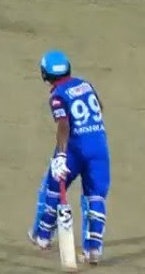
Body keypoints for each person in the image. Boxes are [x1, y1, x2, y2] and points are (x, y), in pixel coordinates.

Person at [28, 50, 110, 265]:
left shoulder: (58, 96)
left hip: (75, 148)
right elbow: (100, 108)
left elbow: (63, 124)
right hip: (99, 146)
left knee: (53, 188)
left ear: (45, 74)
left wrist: (62, 155)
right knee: (95, 198)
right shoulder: (85, 84)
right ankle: (93, 250)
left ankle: (43, 236)